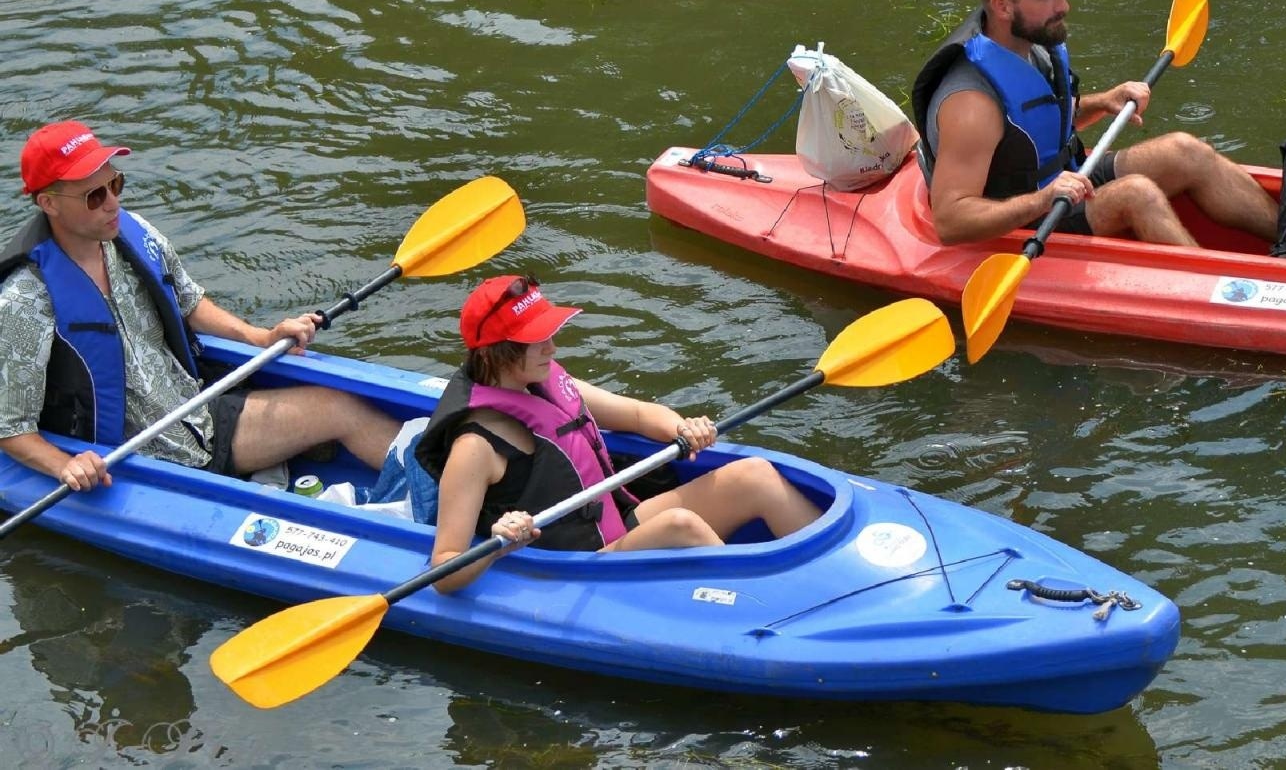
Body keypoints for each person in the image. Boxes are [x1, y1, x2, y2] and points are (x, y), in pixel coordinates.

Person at [0, 121, 400, 493]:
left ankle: (432, 487)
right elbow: (11, 427)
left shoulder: (135, 236)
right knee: (336, 413)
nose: (113, 203)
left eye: (116, 183)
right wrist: (64, 465)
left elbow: (188, 302)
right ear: (49, 203)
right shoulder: (25, 301)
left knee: (340, 406)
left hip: (197, 414)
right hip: (142, 459)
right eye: (95, 196)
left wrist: (259, 336)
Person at [416, 274, 823, 592]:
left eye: (550, 334)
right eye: (536, 341)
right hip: (581, 567)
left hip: (617, 525)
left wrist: (682, 427)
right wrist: (501, 541)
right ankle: (771, 610)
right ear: (497, 353)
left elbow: (639, 414)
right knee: (680, 525)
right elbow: (445, 570)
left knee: (753, 475)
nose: (552, 348)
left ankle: (833, 578)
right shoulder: (475, 447)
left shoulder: (542, 382)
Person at [911, 0, 1279, 246]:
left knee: (1186, 151)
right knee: (1136, 193)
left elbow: (1036, 122)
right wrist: (1041, 200)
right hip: (1023, 213)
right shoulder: (970, 105)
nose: (1063, 6)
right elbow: (951, 221)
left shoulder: (1030, 44)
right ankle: (1214, 293)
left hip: (1064, 179)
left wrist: (1104, 102)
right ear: (1003, 6)